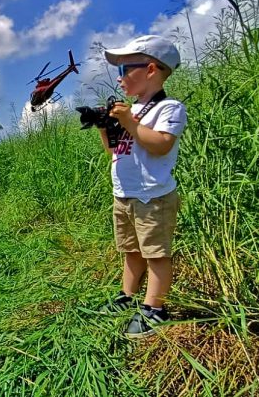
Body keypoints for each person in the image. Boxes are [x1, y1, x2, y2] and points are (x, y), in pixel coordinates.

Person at [97, 35, 187, 338]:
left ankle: (155, 308)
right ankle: (127, 295)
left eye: (124, 70)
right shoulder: (130, 110)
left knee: (156, 254)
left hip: (152, 197)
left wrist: (130, 122)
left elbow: (161, 145)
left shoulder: (169, 108)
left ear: (150, 69)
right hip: (124, 194)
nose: (119, 78)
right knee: (131, 250)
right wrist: (104, 127)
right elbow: (114, 151)